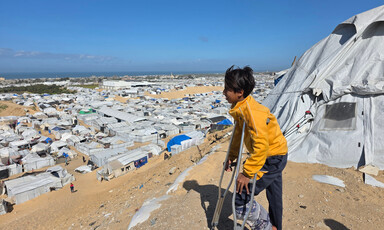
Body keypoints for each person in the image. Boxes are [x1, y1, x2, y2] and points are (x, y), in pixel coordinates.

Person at [223, 65, 288, 230]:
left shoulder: (253, 112)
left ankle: (264, 226)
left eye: (227, 89)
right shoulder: (241, 108)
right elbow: (238, 135)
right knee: (274, 196)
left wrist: (247, 173)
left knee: (241, 194)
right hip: (274, 154)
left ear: (240, 92)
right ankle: (275, 227)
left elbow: (261, 145)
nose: (224, 92)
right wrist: (232, 156)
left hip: (272, 157)